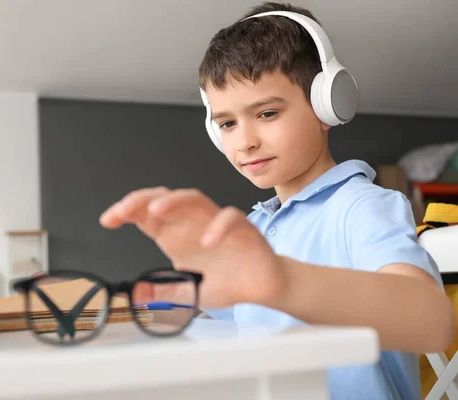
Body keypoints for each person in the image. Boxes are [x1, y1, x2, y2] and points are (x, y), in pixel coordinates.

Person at [99, 2, 455, 399]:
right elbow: (246, 324)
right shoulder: (254, 229)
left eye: (267, 113)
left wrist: (282, 281)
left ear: (328, 106)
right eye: (228, 124)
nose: (245, 141)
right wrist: (175, 302)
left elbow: (431, 322)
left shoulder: (361, 206)